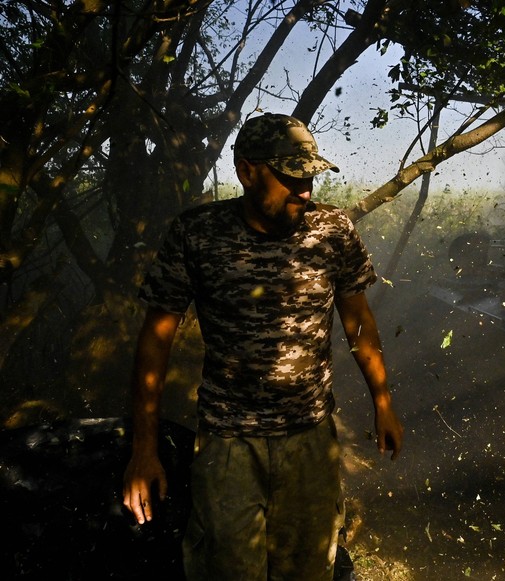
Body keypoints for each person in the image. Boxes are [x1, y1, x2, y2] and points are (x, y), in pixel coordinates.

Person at [122, 113, 404, 581]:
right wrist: (144, 448)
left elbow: (359, 323)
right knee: (228, 569)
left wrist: (382, 400)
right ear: (248, 171)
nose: (305, 190)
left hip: (310, 439)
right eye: (291, 177)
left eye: (310, 176)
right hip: (228, 442)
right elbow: (155, 342)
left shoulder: (332, 231)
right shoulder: (197, 234)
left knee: (308, 569)